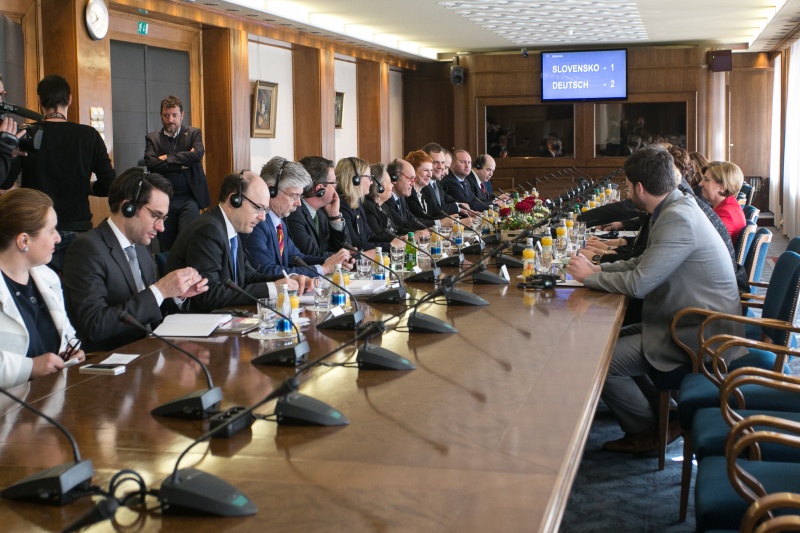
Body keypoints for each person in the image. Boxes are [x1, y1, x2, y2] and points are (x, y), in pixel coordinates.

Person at [566, 146, 746, 454]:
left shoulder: (677, 217)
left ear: (639, 187)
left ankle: (647, 431)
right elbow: (643, 264)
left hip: (700, 334)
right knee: (603, 341)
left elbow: (639, 283)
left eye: (626, 186)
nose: (626, 191)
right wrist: (599, 268)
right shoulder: (676, 206)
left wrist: (589, 278)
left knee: (595, 359)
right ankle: (666, 417)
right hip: (683, 320)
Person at [62, 168, 209, 352]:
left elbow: (150, 310)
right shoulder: (87, 249)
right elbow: (94, 325)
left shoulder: (141, 247)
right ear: (128, 207)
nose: (161, 227)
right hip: (111, 364)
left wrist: (176, 294)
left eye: (164, 218)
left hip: (149, 355)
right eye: (156, 216)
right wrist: (160, 290)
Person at [16, 75, 116, 273]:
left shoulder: (27, 134)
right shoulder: (89, 136)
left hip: (37, 230)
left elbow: (8, 180)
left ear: (39, 101)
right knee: (78, 295)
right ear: (69, 99)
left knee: (42, 296)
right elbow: (109, 184)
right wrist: (85, 186)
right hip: (79, 229)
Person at [166, 170, 302, 312]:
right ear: (234, 200)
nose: (262, 217)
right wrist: (272, 289)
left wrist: (289, 281)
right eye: (258, 208)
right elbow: (209, 294)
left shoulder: (229, 230)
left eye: (265, 210)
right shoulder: (208, 231)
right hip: (196, 325)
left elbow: (249, 278)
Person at [0, 189, 85, 388]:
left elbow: (67, 332)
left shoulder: (47, 276)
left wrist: (73, 350)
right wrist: (30, 367)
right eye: (51, 230)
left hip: (52, 400)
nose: (58, 238)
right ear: (24, 241)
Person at [241, 157, 350, 277]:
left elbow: (297, 259)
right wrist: (322, 269)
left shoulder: (278, 222)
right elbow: (267, 271)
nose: (298, 203)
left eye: (300, 196)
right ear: (271, 190)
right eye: (294, 196)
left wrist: (333, 260)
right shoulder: (256, 224)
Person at [144, 95, 211, 251]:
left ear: (182, 115)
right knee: (166, 245)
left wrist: (167, 158)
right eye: (166, 115)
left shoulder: (193, 133)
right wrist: (182, 164)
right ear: (161, 115)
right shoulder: (152, 138)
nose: (170, 120)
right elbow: (151, 163)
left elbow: (197, 155)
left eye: (174, 115)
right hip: (164, 199)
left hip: (189, 198)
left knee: (187, 241)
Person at [288, 156, 349, 257]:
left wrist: (335, 217)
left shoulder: (322, 212)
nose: (335, 187)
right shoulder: (294, 213)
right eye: (333, 183)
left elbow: (344, 247)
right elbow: (311, 254)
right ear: (320, 190)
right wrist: (342, 257)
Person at [383, 156, 435, 234]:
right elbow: (400, 225)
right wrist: (418, 233)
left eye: (414, 179)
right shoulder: (386, 200)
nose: (413, 184)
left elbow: (413, 220)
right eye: (410, 179)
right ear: (395, 178)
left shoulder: (401, 198)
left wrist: (430, 228)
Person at [699, 161, 746, 242]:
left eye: (706, 180)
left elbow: (707, 244)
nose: (700, 184)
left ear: (723, 187)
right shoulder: (728, 206)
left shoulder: (725, 214)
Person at [364, 163, 402, 243]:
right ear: (379, 188)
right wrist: (400, 239)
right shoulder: (367, 207)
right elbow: (378, 236)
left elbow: (398, 227)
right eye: (389, 182)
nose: (392, 185)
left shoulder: (383, 206)